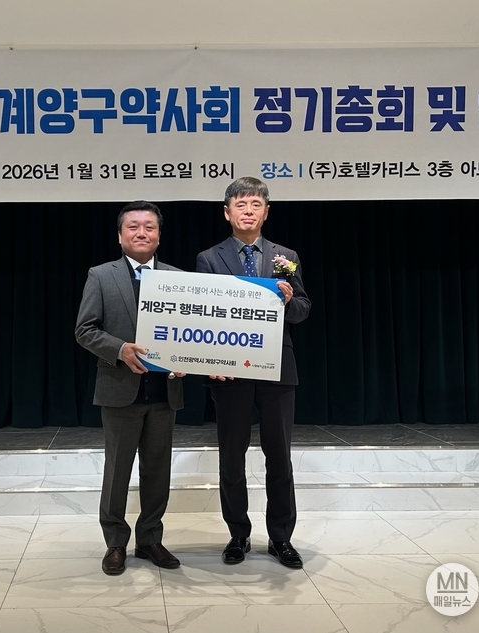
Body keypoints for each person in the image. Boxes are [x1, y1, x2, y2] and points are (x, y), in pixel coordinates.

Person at [196, 177, 311, 569]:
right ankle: (238, 534)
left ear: (266, 212)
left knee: (279, 457)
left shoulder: (285, 255)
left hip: (277, 368)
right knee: (232, 457)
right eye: (241, 204)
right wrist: (210, 361)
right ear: (227, 212)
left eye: (255, 204)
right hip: (230, 372)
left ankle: (281, 538)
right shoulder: (209, 258)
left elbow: (303, 310)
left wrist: (289, 300)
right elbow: (204, 313)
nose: (248, 211)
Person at [75, 201, 184, 576]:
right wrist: (119, 349)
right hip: (120, 390)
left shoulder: (177, 277)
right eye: (133, 226)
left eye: (149, 227)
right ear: (120, 236)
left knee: (158, 472)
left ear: (159, 235)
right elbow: (85, 330)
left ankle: (150, 539)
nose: (142, 232)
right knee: (117, 473)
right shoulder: (101, 276)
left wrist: (188, 357)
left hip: (164, 392)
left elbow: (190, 333)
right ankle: (116, 543)